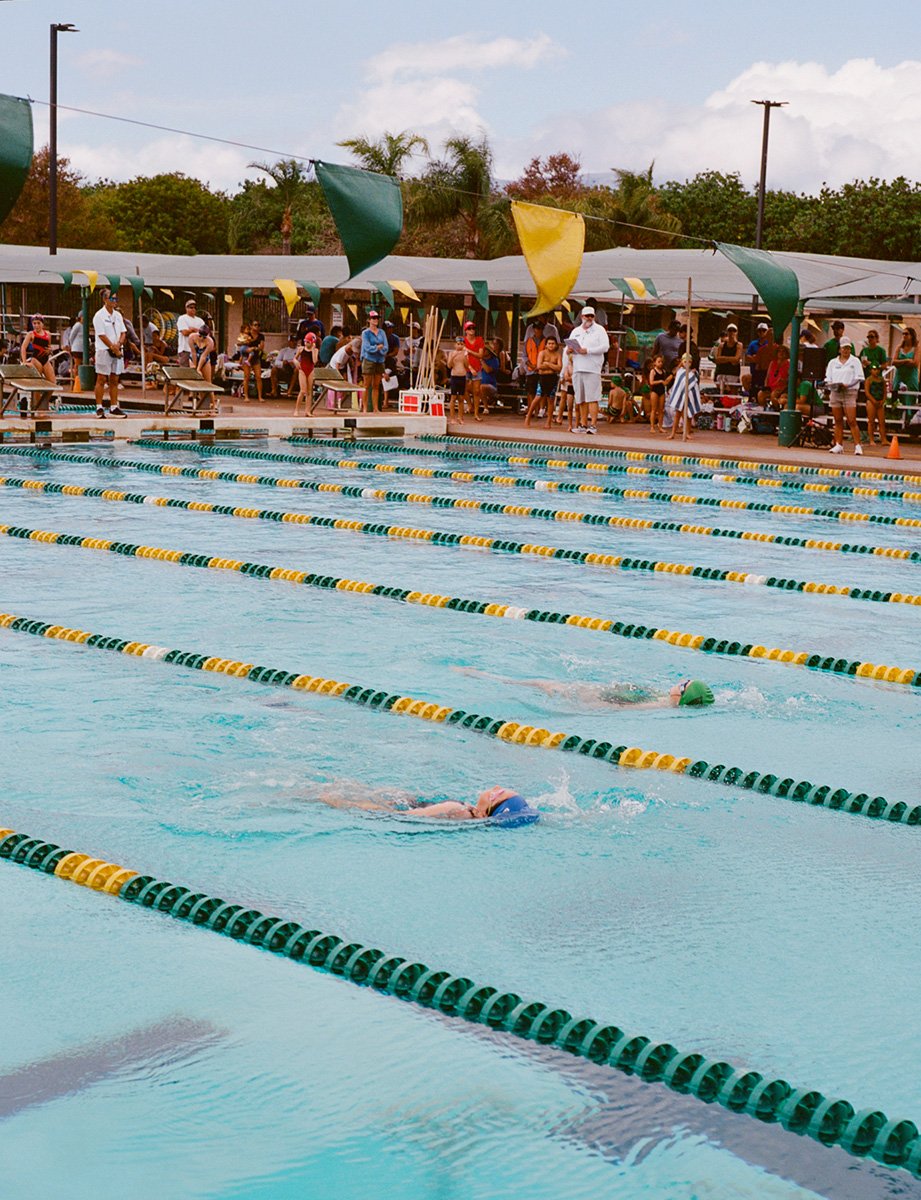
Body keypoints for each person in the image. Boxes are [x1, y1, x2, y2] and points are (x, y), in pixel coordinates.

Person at [456, 667, 714, 710]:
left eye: (682, 684)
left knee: (541, 684)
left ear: (681, 694)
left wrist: (580, 703)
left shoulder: (656, 705)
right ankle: (485, 676)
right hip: (596, 692)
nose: (677, 682)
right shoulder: (661, 699)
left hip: (588, 697)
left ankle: (482, 676)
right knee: (541, 683)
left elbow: (614, 709)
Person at [316, 782, 539, 825]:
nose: (496, 788)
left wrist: (343, 804)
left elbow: (400, 816)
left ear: (486, 812)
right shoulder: (467, 810)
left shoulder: (457, 810)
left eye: (497, 795)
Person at [567, 305, 609, 434]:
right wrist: (568, 350)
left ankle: (593, 425)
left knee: (592, 398)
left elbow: (605, 347)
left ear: (594, 317)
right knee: (581, 398)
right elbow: (568, 347)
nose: (589, 318)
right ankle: (583, 424)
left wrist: (588, 351)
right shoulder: (576, 331)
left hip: (592, 368)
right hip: (578, 367)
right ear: (582, 317)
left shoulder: (600, 330)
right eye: (587, 316)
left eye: (591, 316)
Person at [824, 338, 864, 455]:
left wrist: (848, 384)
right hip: (836, 392)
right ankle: (838, 444)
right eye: (844, 348)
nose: (846, 350)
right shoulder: (832, 362)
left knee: (851, 420)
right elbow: (828, 378)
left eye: (848, 348)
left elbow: (859, 377)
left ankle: (857, 445)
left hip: (850, 392)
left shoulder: (855, 361)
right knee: (837, 420)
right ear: (840, 349)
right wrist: (833, 385)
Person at [92, 290, 127, 418]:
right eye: (112, 299)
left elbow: (123, 332)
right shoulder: (99, 316)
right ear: (105, 300)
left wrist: (119, 344)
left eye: (115, 299)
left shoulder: (118, 315)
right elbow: (101, 335)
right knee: (101, 378)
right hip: (104, 351)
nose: (114, 302)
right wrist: (112, 347)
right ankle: (99, 407)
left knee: (115, 379)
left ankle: (113, 406)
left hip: (117, 350)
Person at [665, 354, 700, 441]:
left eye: (689, 362)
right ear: (682, 362)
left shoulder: (692, 373)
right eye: (685, 362)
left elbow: (693, 385)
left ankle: (687, 432)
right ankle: (673, 433)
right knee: (678, 415)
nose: (687, 363)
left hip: (688, 396)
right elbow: (678, 384)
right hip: (680, 396)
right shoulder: (680, 371)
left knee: (688, 415)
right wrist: (681, 364)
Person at [529, 335, 562, 428]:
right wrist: (552, 366)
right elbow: (539, 366)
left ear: (556, 345)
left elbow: (559, 368)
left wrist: (547, 363)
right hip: (543, 378)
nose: (551, 345)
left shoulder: (558, 355)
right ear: (546, 345)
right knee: (537, 397)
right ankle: (528, 418)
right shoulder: (542, 353)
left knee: (551, 400)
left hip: (553, 378)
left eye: (553, 344)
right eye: (549, 344)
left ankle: (548, 422)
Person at [360, 311, 388, 412]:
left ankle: (376, 408)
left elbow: (385, 347)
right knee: (366, 385)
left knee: (376, 385)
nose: (375, 320)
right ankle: (365, 407)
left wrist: (380, 349)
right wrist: (377, 347)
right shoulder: (365, 333)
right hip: (369, 359)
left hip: (380, 360)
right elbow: (367, 347)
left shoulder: (382, 332)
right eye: (373, 318)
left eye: (377, 318)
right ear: (369, 320)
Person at [20, 315, 55, 385]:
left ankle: (44, 397)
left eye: (38, 323)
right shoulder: (31, 334)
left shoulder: (48, 334)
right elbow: (23, 348)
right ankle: (35, 396)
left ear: (43, 324)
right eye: (34, 323)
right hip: (36, 359)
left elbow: (49, 347)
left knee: (53, 383)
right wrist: (24, 361)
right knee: (37, 384)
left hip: (45, 360)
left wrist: (50, 350)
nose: (36, 325)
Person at [463, 321, 486, 421]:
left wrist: (469, 351)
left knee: (476, 391)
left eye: (473, 328)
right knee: (463, 389)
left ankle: (476, 413)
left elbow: (480, 355)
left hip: (476, 367)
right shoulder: (463, 341)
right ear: (466, 331)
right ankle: (470, 405)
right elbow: (464, 356)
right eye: (469, 328)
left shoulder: (479, 340)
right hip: (466, 367)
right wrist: (470, 367)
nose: (472, 330)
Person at [892, 327, 920, 407]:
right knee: (897, 399)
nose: (904, 335)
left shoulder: (916, 348)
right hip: (899, 376)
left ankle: (909, 417)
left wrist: (900, 362)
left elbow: (915, 363)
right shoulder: (899, 347)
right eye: (903, 333)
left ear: (912, 335)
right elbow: (893, 362)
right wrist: (906, 361)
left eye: (906, 334)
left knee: (909, 399)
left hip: (911, 377)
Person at [293, 333, 319, 416]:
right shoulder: (301, 349)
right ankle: (296, 410)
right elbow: (294, 358)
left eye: (308, 342)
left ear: (312, 343)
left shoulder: (315, 350)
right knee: (303, 390)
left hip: (310, 371)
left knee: (309, 392)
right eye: (305, 341)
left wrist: (313, 350)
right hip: (302, 371)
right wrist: (296, 362)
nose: (306, 344)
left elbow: (314, 361)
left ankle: (307, 411)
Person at [745, 323, 773, 398]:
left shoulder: (773, 346)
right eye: (759, 331)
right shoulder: (753, 344)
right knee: (746, 379)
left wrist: (756, 358)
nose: (762, 332)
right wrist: (758, 359)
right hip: (755, 371)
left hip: (768, 372)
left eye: (764, 330)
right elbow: (747, 357)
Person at [713, 323, 743, 393]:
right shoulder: (721, 345)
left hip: (733, 373)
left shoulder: (739, 345)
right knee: (721, 392)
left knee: (732, 393)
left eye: (734, 330)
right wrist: (731, 359)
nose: (731, 332)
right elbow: (717, 360)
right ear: (727, 332)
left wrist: (723, 358)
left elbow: (736, 360)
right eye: (730, 330)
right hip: (721, 372)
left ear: (736, 332)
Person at [864, 361, 888, 447]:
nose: (876, 371)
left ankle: (883, 439)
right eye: (874, 369)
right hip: (871, 401)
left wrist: (883, 400)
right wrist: (873, 400)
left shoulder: (882, 380)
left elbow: (885, 391)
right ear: (871, 370)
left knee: (882, 421)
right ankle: (871, 439)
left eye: (877, 369)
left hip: (880, 401)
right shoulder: (868, 380)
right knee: (871, 421)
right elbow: (867, 392)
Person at [241, 320, 266, 401]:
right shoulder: (247, 334)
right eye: (255, 325)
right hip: (246, 356)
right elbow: (242, 344)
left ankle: (260, 396)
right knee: (246, 376)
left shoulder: (261, 336)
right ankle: (246, 396)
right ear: (251, 326)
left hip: (255, 357)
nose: (257, 327)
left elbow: (261, 347)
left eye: (258, 325)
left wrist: (254, 348)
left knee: (258, 376)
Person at [176, 299, 203, 368]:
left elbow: (205, 333)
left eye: (195, 307)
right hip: (185, 350)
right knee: (184, 372)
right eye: (191, 307)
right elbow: (184, 332)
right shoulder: (182, 318)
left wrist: (192, 329)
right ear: (186, 308)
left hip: (198, 350)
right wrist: (196, 330)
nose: (193, 309)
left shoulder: (200, 320)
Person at [189, 313, 215, 382]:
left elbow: (204, 356)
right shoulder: (192, 337)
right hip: (193, 357)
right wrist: (195, 366)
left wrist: (199, 368)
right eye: (200, 336)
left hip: (204, 359)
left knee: (208, 382)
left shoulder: (210, 342)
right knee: (194, 382)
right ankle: (192, 393)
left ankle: (209, 393)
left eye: (204, 337)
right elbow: (193, 352)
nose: (201, 338)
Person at [447, 336, 468, 424]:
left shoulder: (465, 353)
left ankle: (460, 417)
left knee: (461, 398)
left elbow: (466, 366)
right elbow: (449, 365)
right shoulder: (452, 353)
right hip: (454, 376)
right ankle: (452, 418)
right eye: (458, 344)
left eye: (461, 344)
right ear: (455, 345)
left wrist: (466, 357)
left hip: (462, 376)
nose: (459, 346)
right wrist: (453, 357)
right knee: (453, 397)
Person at [478, 338, 501, 411]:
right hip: (478, 382)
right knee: (466, 386)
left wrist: (481, 360)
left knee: (482, 387)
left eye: (485, 350)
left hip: (491, 385)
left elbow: (488, 370)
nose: (483, 351)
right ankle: (471, 406)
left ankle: (485, 407)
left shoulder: (494, 360)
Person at [648, 353, 669, 433]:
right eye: (659, 362)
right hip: (655, 391)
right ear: (654, 363)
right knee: (653, 409)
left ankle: (660, 426)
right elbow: (651, 382)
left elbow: (665, 382)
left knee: (661, 410)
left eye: (661, 362)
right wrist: (660, 381)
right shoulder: (653, 371)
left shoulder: (663, 371)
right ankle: (652, 427)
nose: (660, 363)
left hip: (662, 391)